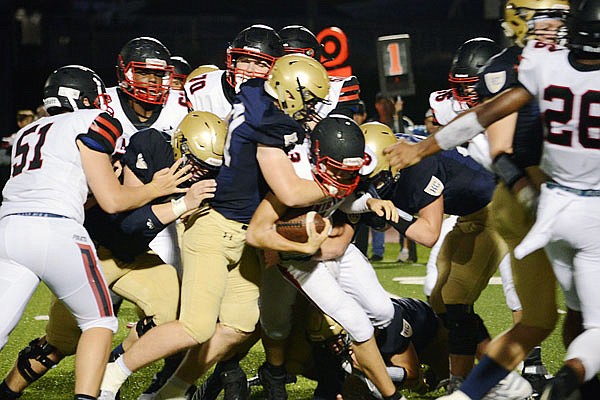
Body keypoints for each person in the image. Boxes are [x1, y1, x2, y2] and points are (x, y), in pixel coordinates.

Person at [384, 1, 600, 399]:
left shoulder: (540, 67)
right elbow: (499, 144)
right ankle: (567, 383)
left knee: (538, 318)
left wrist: (425, 147)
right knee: (587, 319)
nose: (553, 27)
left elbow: (484, 119)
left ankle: (473, 393)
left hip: (538, 202)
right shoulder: (544, 64)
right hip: (559, 203)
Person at [98, 54, 334, 400]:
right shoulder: (270, 124)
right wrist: (339, 185)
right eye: (309, 100)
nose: (310, 109)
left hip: (242, 230)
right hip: (215, 227)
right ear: (289, 90)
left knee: (240, 324)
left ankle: (170, 393)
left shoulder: (254, 90)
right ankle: (111, 375)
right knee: (196, 325)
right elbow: (289, 191)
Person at [0, 65, 187, 400]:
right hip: (57, 230)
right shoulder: (91, 120)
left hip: (9, 229)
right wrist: (156, 187)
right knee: (99, 322)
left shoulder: (27, 133)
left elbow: (68, 188)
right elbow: (112, 201)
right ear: (87, 98)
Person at [362, 120, 534, 399]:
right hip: (470, 214)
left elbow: (429, 233)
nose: (374, 185)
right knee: (442, 299)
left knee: (456, 297)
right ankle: (464, 379)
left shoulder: (418, 165)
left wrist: (391, 212)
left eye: (377, 178)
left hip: (497, 209)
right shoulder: (388, 153)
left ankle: (504, 382)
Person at [246, 115, 401, 400]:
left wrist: (370, 201)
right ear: (315, 156)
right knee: (279, 322)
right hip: (293, 254)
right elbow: (256, 234)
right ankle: (387, 393)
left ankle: (361, 369)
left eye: (348, 171)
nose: (342, 178)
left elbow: (348, 193)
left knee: (383, 311)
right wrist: (297, 248)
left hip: (324, 244)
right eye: (336, 170)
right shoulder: (294, 175)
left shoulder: (345, 168)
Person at [307, 296, 449, 399]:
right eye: (327, 341)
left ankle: (431, 378)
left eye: (336, 340)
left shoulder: (388, 326)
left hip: (428, 332)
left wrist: (368, 371)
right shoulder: (325, 340)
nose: (332, 347)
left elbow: (411, 375)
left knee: (447, 377)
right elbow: (328, 389)